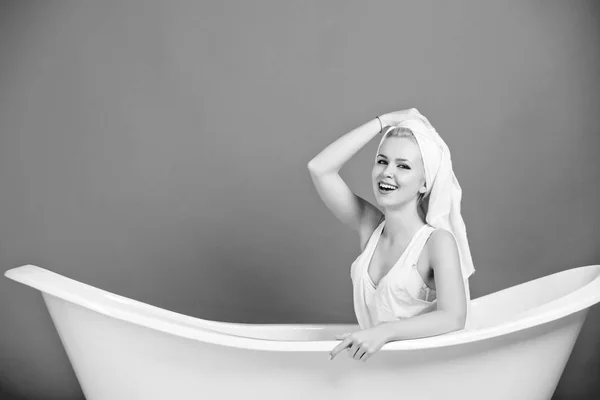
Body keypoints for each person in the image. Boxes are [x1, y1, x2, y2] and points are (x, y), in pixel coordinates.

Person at [306, 108, 476, 362]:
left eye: (403, 166)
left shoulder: (436, 242)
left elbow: (454, 317)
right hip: (373, 374)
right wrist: (383, 122)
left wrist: (384, 332)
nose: (387, 172)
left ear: (424, 183)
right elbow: (319, 168)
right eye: (382, 161)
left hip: (421, 375)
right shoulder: (370, 225)